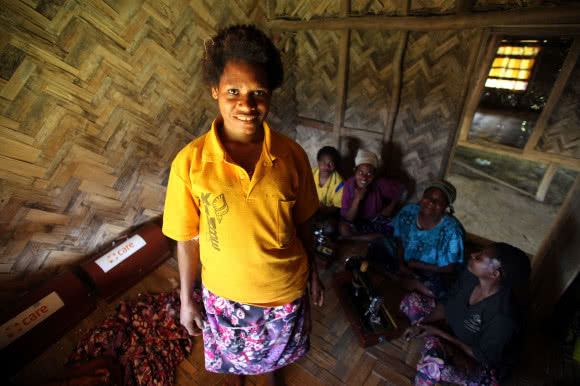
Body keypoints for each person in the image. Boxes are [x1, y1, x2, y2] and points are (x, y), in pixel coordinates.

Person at [162, 25, 324, 385]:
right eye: (233, 90)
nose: (246, 105)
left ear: (270, 94)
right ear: (215, 90)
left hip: (285, 291)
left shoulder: (292, 155)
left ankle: (271, 376)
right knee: (232, 358)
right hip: (225, 295)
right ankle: (239, 378)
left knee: (274, 356)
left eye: (258, 92)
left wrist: (314, 273)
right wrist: (187, 300)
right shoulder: (190, 162)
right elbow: (187, 239)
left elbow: (304, 225)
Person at [402, 242, 531, 385]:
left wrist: (438, 332)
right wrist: (422, 324)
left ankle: (436, 350)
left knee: (433, 367)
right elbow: (447, 304)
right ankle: (435, 344)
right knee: (411, 300)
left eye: (480, 258)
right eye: (479, 252)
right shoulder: (471, 276)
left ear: (494, 273)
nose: (473, 255)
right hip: (452, 332)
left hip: (479, 362)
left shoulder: (503, 317)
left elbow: (483, 357)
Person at [368, 180, 464, 299]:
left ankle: (404, 280)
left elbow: (449, 267)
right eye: (428, 197)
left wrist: (419, 265)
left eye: (439, 201)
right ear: (423, 197)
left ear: (446, 207)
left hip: (431, 269)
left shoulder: (451, 230)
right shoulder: (409, 211)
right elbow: (399, 237)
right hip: (405, 259)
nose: (431, 202)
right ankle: (401, 277)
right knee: (377, 245)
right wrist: (401, 262)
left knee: (442, 290)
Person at [338, 149, 403, 240]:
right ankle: (366, 237)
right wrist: (357, 199)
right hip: (357, 220)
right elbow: (348, 218)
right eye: (361, 172)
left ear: (374, 175)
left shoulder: (380, 183)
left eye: (369, 174)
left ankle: (354, 238)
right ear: (355, 172)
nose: (364, 177)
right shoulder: (349, 185)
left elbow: (400, 188)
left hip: (375, 219)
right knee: (343, 228)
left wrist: (390, 207)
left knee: (392, 230)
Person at [312, 146, 344, 234]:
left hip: (326, 214)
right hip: (308, 209)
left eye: (330, 162)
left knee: (330, 227)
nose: (327, 165)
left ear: (335, 164)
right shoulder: (310, 173)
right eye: (323, 162)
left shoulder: (339, 184)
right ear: (318, 162)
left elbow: (336, 207)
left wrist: (321, 210)